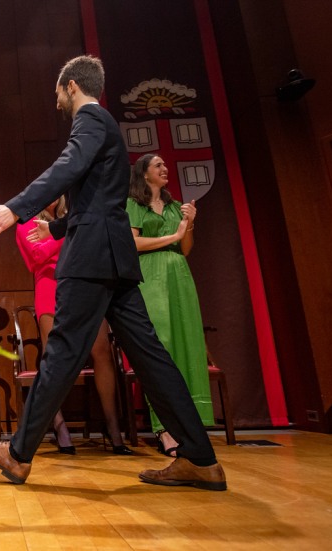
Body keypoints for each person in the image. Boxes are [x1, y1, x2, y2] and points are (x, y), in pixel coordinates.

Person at [0, 55, 226, 491]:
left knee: (63, 352)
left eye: (56, 92)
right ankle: (201, 459)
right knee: (150, 356)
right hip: (114, 257)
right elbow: (99, 198)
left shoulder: (89, 119)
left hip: (91, 259)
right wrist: (59, 225)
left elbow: (67, 168)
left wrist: (16, 208)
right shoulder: (103, 126)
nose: (55, 100)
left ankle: (16, 455)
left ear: (71, 86)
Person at [16, 197, 133, 455]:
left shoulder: (73, 214)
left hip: (83, 285)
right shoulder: (27, 221)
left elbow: (92, 246)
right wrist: (70, 233)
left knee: (101, 351)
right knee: (53, 359)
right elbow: (37, 257)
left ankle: (113, 428)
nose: (53, 196)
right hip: (50, 288)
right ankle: (60, 427)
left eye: (58, 192)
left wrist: (60, 235)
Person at [126, 153, 214, 457]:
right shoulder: (134, 205)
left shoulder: (176, 207)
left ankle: (193, 425)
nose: (165, 169)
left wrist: (188, 225)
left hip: (179, 276)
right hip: (150, 276)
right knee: (161, 348)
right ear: (144, 174)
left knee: (187, 344)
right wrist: (171, 237)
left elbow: (185, 249)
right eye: (158, 165)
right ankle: (164, 428)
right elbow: (132, 244)